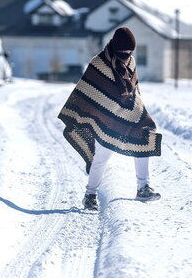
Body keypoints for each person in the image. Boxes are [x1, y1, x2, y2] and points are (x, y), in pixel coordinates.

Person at [57, 27, 162, 211]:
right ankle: (90, 195)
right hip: (105, 119)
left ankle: (143, 188)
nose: (126, 54)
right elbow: (88, 91)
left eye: (130, 52)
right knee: (101, 158)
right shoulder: (99, 63)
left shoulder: (131, 62)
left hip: (129, 117)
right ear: (115, 47)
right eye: (123, 51)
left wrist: (137, 110)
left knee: (144, 140)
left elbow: (134, 90)